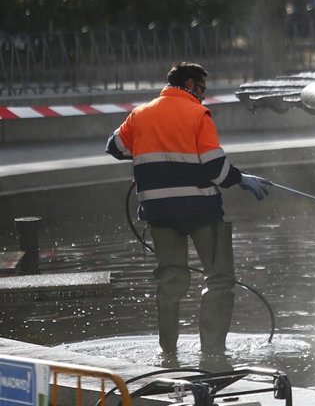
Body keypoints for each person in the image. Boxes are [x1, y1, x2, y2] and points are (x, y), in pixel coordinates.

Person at [105, 62, 273, 368]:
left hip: (159, 212)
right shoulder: (198, 114)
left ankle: (168, 354)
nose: (204, 96)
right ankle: (213, 354)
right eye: (202, 89)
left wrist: (150, 153)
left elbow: (114, 147)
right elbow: (215, 169)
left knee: (170, 282)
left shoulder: (140, 114)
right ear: (191, 85)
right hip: (201, 210)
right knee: (219, 279)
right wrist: (241, 179)